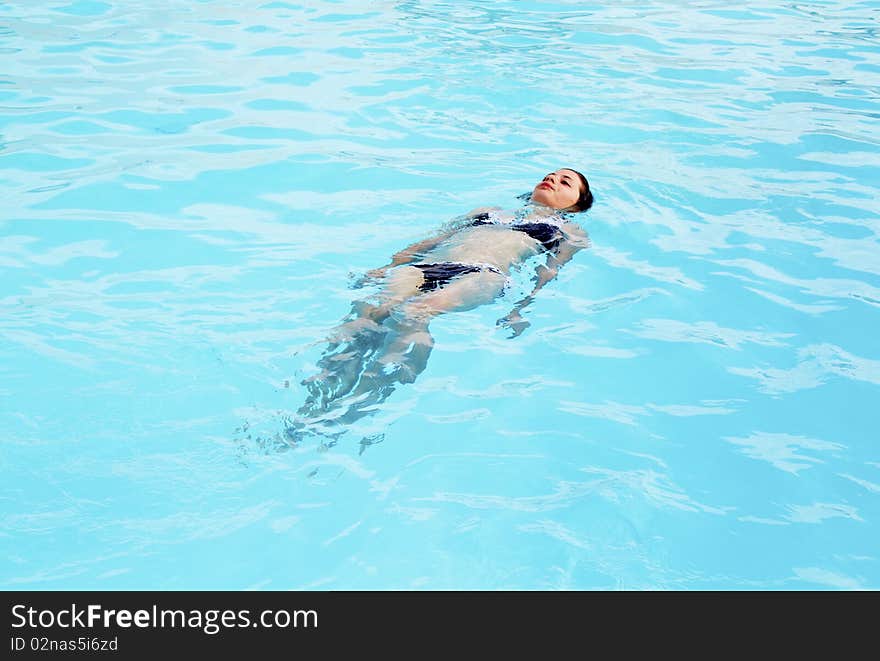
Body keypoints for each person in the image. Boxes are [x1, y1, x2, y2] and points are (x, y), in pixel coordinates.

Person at [282, 168, 593, 449]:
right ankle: (317, 402)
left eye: (565, 182)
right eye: (550, 174)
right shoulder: (489, 211)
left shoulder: (569, 231)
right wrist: (385, 267)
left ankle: (364, 403)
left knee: (413, 313)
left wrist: (520, 308)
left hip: (483, 274)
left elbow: (549, 271)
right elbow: (429, 241)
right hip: (429, 267)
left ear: (576, 204)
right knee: (367, 315)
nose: (552, 179)